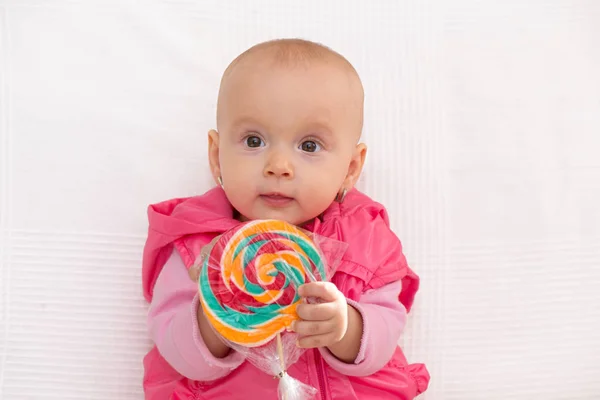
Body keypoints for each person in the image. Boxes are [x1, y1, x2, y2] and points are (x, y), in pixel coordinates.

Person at [141, 38, 429, 399]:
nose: (278, 166)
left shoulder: (366, 238)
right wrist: (219, 310)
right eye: (253, 141)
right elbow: (176, 350)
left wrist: (346, 327)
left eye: (309, 146)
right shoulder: (196, 244)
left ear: (351, 169)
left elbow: (387, 328)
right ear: (216, 156)